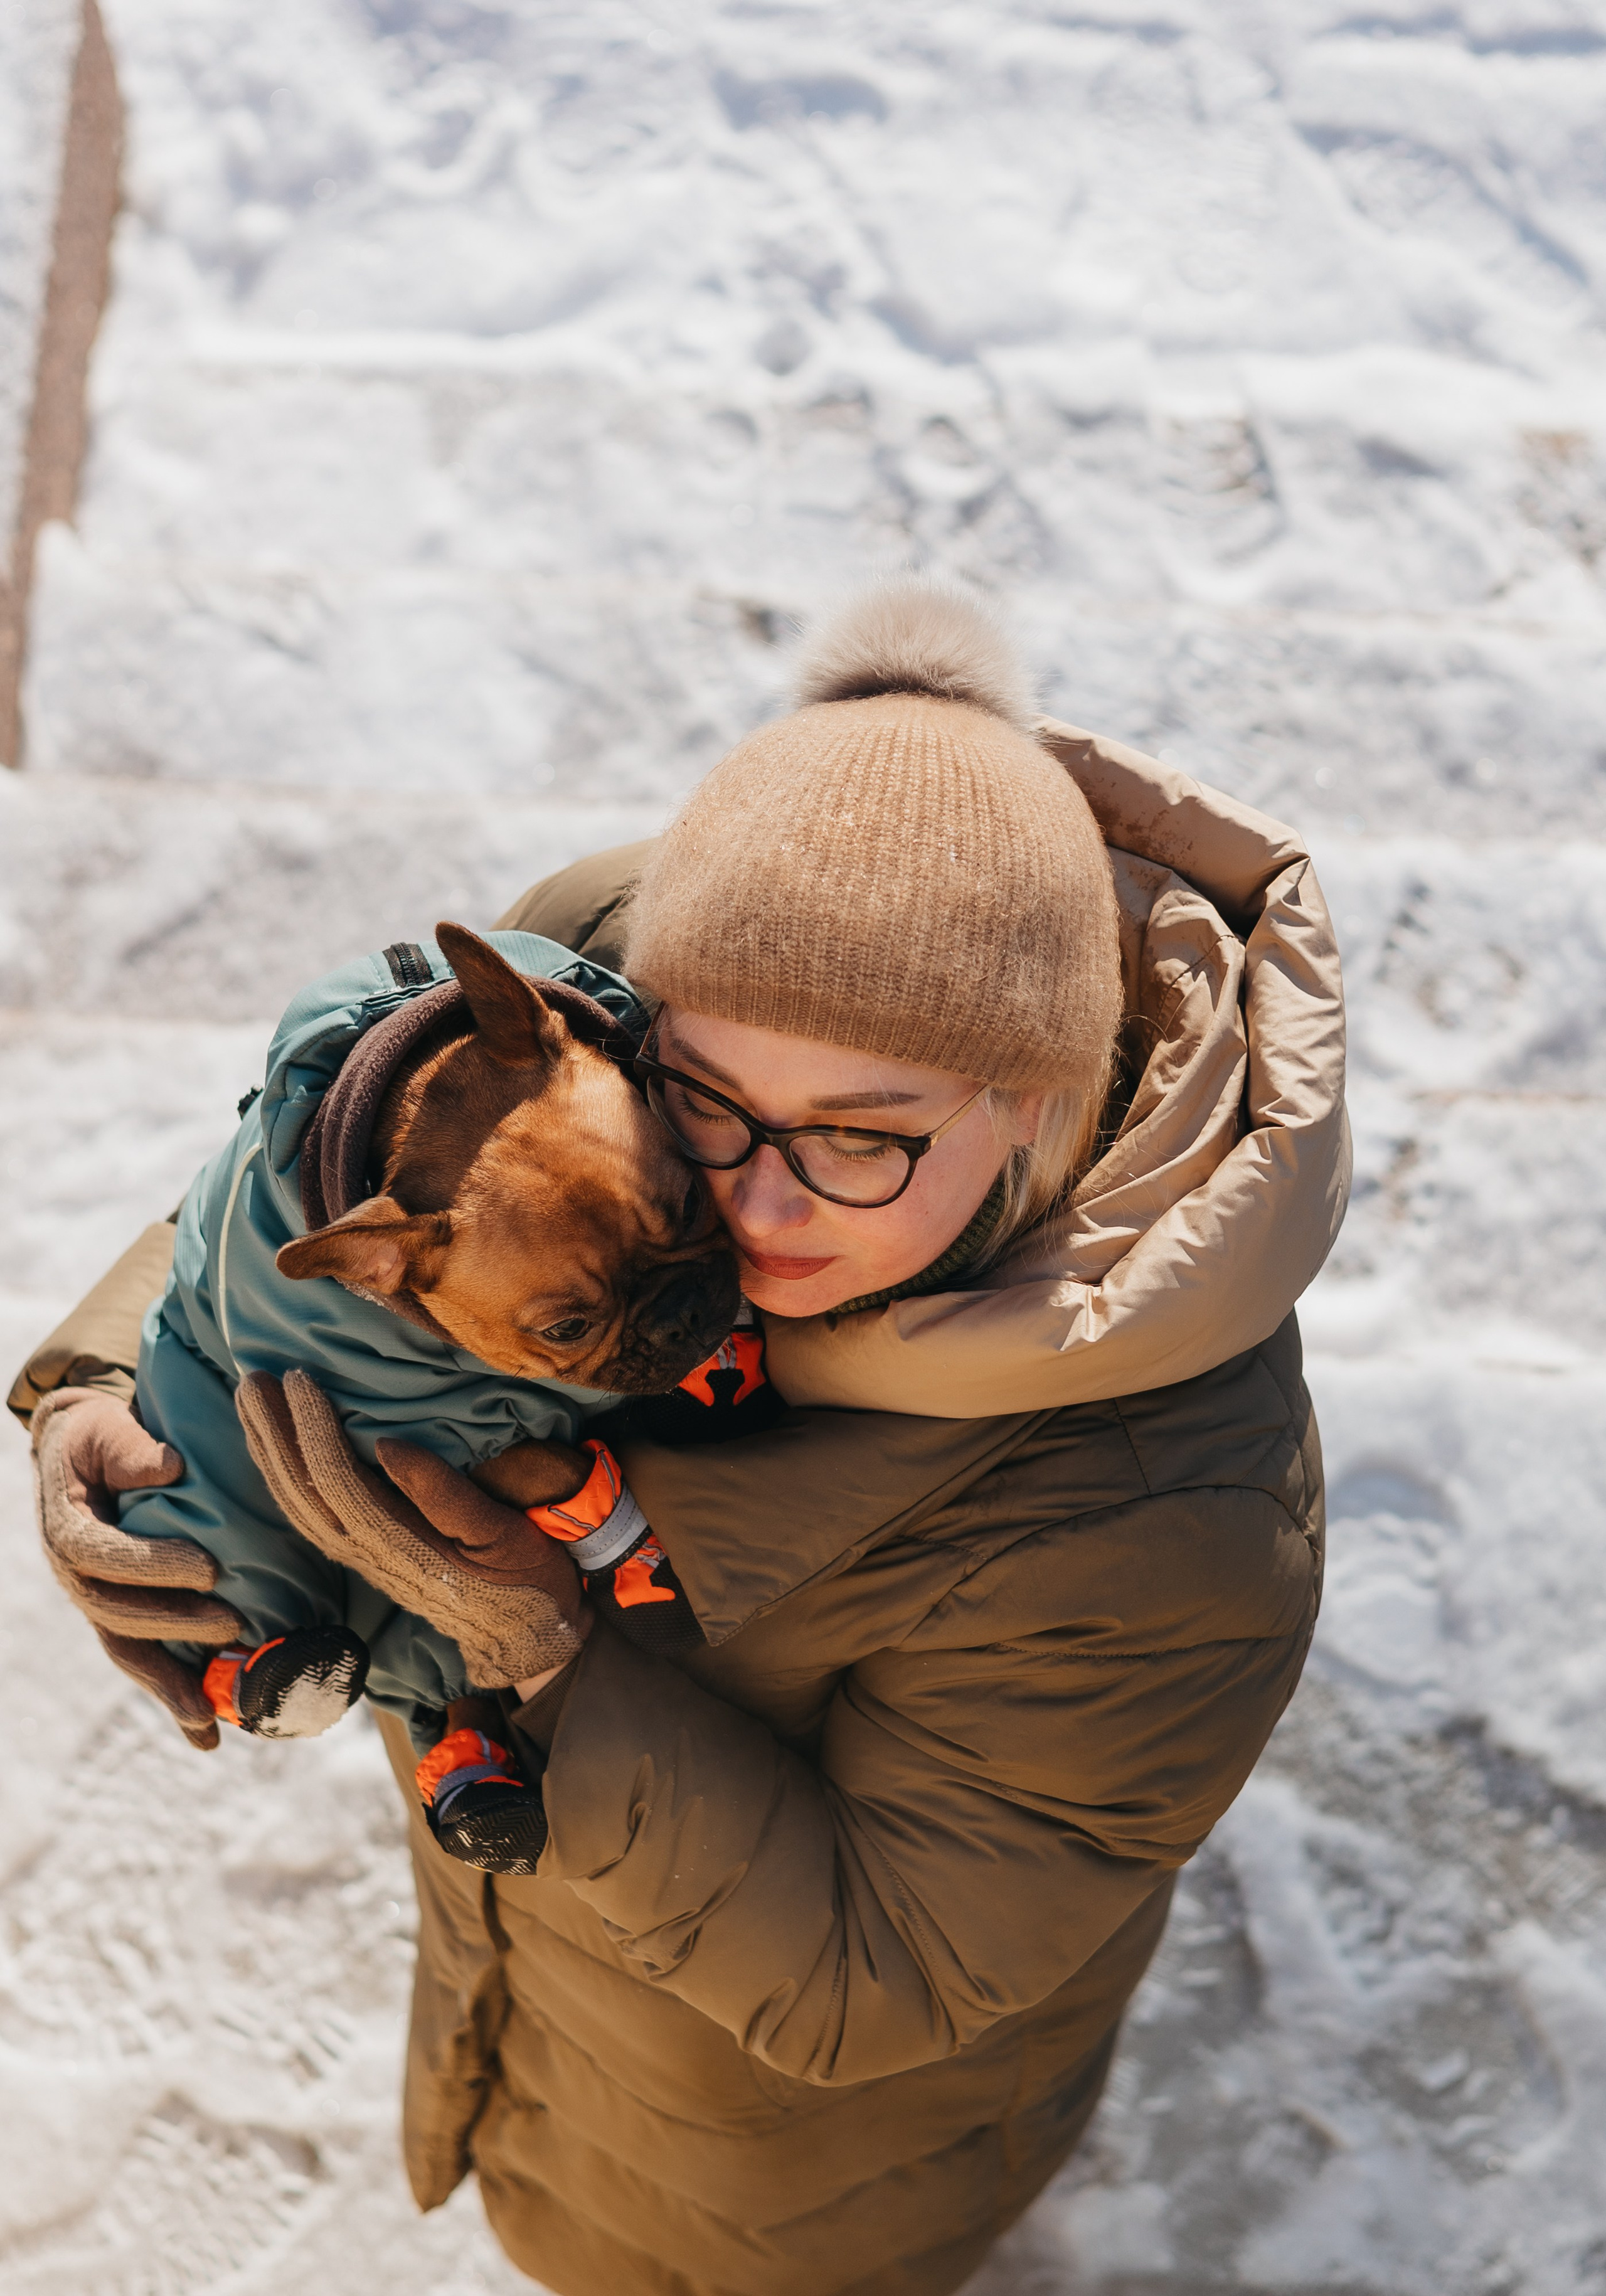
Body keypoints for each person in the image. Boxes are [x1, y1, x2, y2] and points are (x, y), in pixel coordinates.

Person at [19, 583, 1346, 2296]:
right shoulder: (595, 975)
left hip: (802, 2166)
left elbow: (885, 1972)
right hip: (535, 1966)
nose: (750, 1201)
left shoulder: (1174, 1523)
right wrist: (108, 1383)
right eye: (703, 1107)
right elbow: (339, 1202)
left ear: (1043, 1102)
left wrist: (551, 1661)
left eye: (863, 1140)